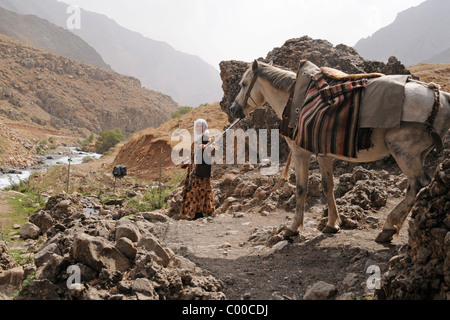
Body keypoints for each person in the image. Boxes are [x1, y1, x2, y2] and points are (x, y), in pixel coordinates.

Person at [179, 119, 215, 220]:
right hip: (193, 171)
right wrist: (186, 163)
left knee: (199, 191)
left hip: (201, 170)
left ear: (205, 127)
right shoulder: (195, 141)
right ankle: (194, 213)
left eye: (201, 126)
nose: (199, 128)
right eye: (197, 126)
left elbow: (214, 149)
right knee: (192, 191)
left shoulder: (207, 138)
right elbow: (193, 156)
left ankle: (199, 213)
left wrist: (206, 146)